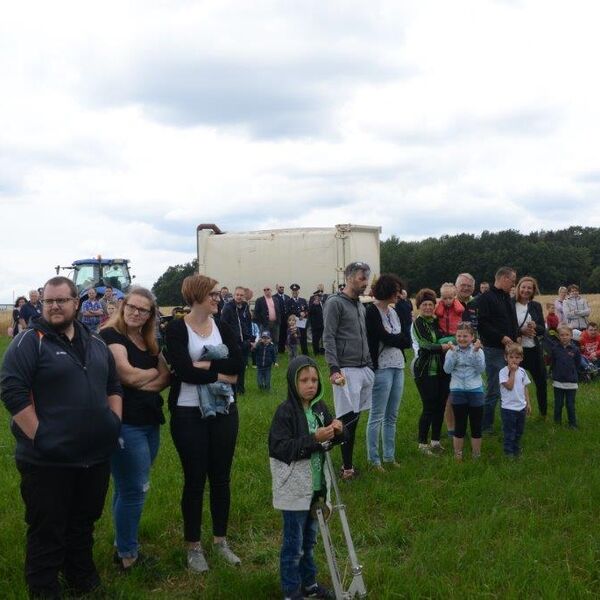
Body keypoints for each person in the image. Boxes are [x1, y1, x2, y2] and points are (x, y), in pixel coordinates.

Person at [0, 276, 122, 598]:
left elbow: (113, 385)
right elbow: (12, 391)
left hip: (94, 457)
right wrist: (41, 436)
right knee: (47, 529)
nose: (54, 306)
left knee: (83, 523)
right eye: (48, 301)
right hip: (46, 460)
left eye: (62, 300)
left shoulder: (96, 343)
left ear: (76, 303)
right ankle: (43, 588)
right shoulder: (30, 341)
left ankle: (81, 577)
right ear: (42, 304)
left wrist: (113, 422)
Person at [165, 274, 242, 573]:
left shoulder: (221, 326)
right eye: (211, 294)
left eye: (217, 294)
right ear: (196, 296)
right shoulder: (176, 328)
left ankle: (221, 542)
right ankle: (194, 547)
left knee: (221, 479)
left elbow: (238, 363)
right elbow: (183, 371)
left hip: (224, 410)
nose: (217, 298)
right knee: (195, 480)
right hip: (187, 413)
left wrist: (207, 366)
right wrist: (222, 374)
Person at [99, 287, 170, 570]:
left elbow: (167, 378)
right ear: (122, 305)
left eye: (143, 310)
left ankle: (121, 544)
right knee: (135, 490)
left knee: (127, 486)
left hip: (150, 421)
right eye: (132, 306)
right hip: (126, 423)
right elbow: (124, 374)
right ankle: (128, 556)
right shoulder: (110, 335)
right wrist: (152, 375)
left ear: (151, 315)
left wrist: (146, 381)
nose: (136, 313)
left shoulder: (148, 340)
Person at [268, 355, 343, 600]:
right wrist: (314, 439)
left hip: (316, 487)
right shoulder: (285, 412)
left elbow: (330, 441)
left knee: (310, 541)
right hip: (294, 489)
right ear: (293, 382)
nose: (310, 385)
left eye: (314, 380)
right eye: (304, 380)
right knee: (294, 545)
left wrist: (339, 432)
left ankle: (309, 584)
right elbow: (280, 447)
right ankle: (291, 591)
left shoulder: (320, 408)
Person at [323, 262, 374, 481]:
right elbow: (329, 336)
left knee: (354, 419)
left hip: (363, 368)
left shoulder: (360, 305)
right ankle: (343, 466)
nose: (365, 283)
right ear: (350, 277)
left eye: (367, 279)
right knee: (346, 420)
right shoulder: (335, 303)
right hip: (346, 370)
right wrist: (334, 368)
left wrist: (370, 365)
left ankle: (346, 464)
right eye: (362, 278)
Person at [365, 274, 410, 470]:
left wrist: (396, 338)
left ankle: (389, 457)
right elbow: (381, 336)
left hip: (398, 365)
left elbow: (406, 338)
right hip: (381, 368)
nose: (398, 295)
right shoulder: (371, 311)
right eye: (395, 291)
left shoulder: (394, 311)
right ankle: (374, 460)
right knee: (377, 415)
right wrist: (397, 339)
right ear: (386, 290)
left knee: (392, 415)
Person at [477, 266, 519, 434]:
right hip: (493, 349)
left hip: (509, 351)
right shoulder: (485, 298)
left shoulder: (507, 298)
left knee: (509, 389)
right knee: (494, 389)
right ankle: (486, 426)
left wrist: (516, 336)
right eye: (512, 280)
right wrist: (501, 337)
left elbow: (510, 321)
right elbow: (483, 324)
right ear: (503, 278)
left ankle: (507, 424)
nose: (514, 284)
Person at [412, 288, 452, 455]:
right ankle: (422, 443)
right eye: (425, 304)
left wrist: (453, 340)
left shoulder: (436, 322)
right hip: (425, 370)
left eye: (431, 304)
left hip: (442, 370)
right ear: (419, 306)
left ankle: (435, 441)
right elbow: (425, 344)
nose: (428, 307)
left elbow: (444, 337)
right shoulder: (418, 323)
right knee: (429, 406)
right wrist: (443, 346)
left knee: (440, 406)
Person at [443, 322, 485, 460]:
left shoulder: (478, 351)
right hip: (457, 390)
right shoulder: (451, 351)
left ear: (472, 337)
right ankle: (458, 455)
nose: (461, 339)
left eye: (465, 336)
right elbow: (447, 370)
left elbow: (480, 369)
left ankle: (476, 455)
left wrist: (475, 352)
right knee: (459, 425)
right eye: (459, 336)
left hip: (476, 391)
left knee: (476, 425)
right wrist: (453, 354)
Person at [512, 276, 547, 418]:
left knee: (541, 382)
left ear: (533, 290)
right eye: (523, 287)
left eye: (529, 288)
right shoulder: (510, 304)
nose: (526, 290)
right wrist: (521, 331)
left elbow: (542, 329)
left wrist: (535, 327)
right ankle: (517, 412)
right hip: (517, 350)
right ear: (519, 288)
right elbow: (506, 326)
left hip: (533, 349)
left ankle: (543, 414)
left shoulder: (535, 306)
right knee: (516, 383)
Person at [220, 286, 254, 394]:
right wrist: (228, 340)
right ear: (234, 295)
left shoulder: (245, 307)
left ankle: (240, 388)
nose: (239, 297)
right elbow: (223, 325)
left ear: (244, 296)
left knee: (242, 365)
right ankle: (231, 387)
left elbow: (248, 323)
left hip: (244, 342)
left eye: (241, 295)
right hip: (232, 342)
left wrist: (250, 339)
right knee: (233, 365)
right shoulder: (228, 307)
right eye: (237, 295)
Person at [499, 343, 531, 457]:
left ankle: (516, 449)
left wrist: (528, 403)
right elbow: (509, 386)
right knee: (509, 432)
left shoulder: (522, 371)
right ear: (506, 357)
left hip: (520, 407)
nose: (514, 360)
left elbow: (525, 387)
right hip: (508, 408)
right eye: (511, 357)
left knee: (519, 431)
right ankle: (508, 452)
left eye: (517, 358)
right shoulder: (503, 372)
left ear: (521, 358)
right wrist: (512, 372)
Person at [546, 325, 581, 428]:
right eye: (562, 335)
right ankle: (557, 423)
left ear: (571, 336)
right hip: (558, 382)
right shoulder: (555, 349)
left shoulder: (575, 350)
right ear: (558, 336)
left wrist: (573, 373)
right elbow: (552, 362)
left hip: (571, 382)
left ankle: (572, 424)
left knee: (570, 404)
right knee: (558, 404)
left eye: (567, 335)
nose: (564, 337)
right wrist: (552, 374)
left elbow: (578, 363)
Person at [286, 284, 309, 355]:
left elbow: (307, 309)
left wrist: (304, 313)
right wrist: (298, 315)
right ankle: (293, 353)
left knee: (303, 337)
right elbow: (288, 312)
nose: (295, 292)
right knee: (293, 338)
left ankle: (305, 352)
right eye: (293, 291)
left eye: (296, 291)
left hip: (302, 322)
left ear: (298, 292)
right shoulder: (288, 301)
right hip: (294, 323)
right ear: (291, 292)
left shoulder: (303, 300)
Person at [274, 284, 290, 354]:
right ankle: (280, 349)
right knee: (279, 334)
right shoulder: (274, 297)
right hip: (278, 319)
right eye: (280, 287)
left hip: (286, 319)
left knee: (285, 334)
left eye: (283, 287)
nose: (282, 288)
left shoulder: (287, 297)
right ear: (277, 288)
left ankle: (284, 348)